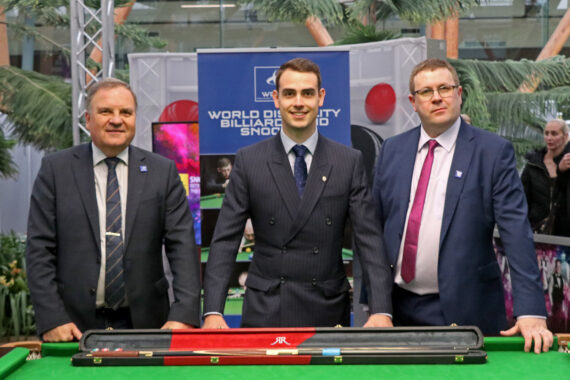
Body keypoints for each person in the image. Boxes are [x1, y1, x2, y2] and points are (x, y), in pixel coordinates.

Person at [371, 58, 552, 353]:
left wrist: (531, 309)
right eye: (426, 91)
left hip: (466, 310)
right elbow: (374, 230)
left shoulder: (492, 152)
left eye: (444, 88)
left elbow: (516, 233)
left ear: (459, 93)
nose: (437, 97)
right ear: (413, 102)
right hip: (396, 309)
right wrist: (377, 304)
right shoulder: (392, 150)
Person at [202, 57, 393, 329]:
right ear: (276, 99)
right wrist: (212, 311)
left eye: (307, 93)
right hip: (265, 309)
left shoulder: (347, 162)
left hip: (326, 309)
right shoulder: (249, 160)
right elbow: (224, 242)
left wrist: (382, 310)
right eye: (289, 93)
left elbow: (369, 241)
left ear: (321, 97)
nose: (299, 102)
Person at [26, 78, 201, 342]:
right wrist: (52, 318)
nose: (116, 120)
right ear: (87, 119)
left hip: (149, 324)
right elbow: (39, 250)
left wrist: (185, 314)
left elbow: (183, 246)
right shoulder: (55, 171)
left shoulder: (162, 172)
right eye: (106, 111)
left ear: (134, 118)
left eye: (126, 112)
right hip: (72, 326)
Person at [521, 119, 570, 236]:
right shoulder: (533, 165)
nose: (549, 138)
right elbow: (522, 199)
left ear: (565, 136)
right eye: (546, 133)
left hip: (564, 232)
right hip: (537, 230)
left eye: (554, 133)